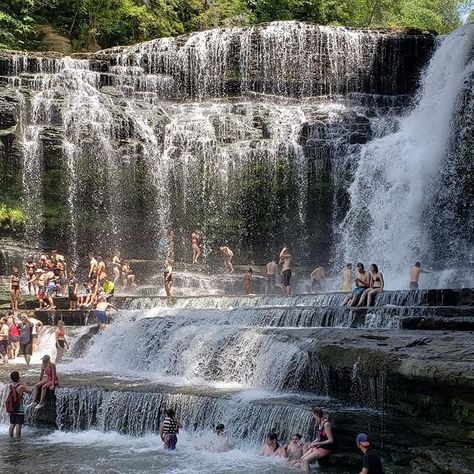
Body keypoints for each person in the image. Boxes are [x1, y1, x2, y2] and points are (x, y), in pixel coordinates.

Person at [296, 407, 334, 472]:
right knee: (301, 459)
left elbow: (331, 440)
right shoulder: (319, 422)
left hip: (326, 448)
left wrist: (317, 443)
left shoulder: (326, 424)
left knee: (305, 461)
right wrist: (312, 443)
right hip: (319, 446)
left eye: (313, 415)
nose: (313, 417)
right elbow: (319, 438)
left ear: (317, 414)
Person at [8, 371, 31, 438]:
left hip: (11, 407)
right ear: (18, 377)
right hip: (19, 407)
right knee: (18, 424)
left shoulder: (11, 386)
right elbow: (30, 392)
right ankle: (18, 439)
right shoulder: (20, 387)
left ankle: (10, 437)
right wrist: (24, 384)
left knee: (12, 424)